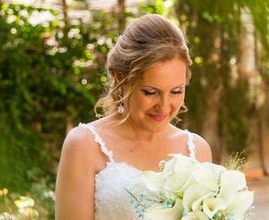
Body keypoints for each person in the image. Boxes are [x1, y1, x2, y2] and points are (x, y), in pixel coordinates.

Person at [55, 13, 212, 219]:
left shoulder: (197, 150)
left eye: (176, 91)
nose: (164, 106)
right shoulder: (84, 145)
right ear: (122, 80)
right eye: (150, 92)